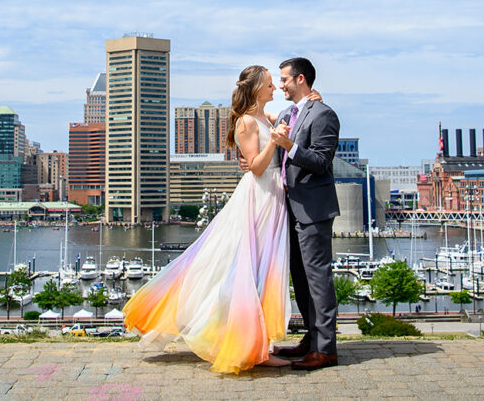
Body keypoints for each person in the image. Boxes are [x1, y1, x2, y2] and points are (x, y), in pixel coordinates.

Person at [123, 65, 303, 373]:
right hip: (258, 198)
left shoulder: (266, 117)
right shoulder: (246, 122)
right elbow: (257, 167)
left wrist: (309, 100)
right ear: (257, 89)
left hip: (274, 197)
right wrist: (273, 142)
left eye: (275, 84)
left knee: (265, 269)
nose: (274, 89)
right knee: (250, 268)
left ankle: (257, 343)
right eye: (270, 85)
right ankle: (253, 347)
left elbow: (291, 118)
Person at [264, 57, 341, 370]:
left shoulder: (324, 115)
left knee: (318, 278)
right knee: (300, 277)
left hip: (313, 209)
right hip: (290, 209)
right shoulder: (286, 113)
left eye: (284, 79)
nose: (280, 85)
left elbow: (322, 162)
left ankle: (326, 350)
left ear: (300, 79)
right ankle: (311, 339)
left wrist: (290, 145)